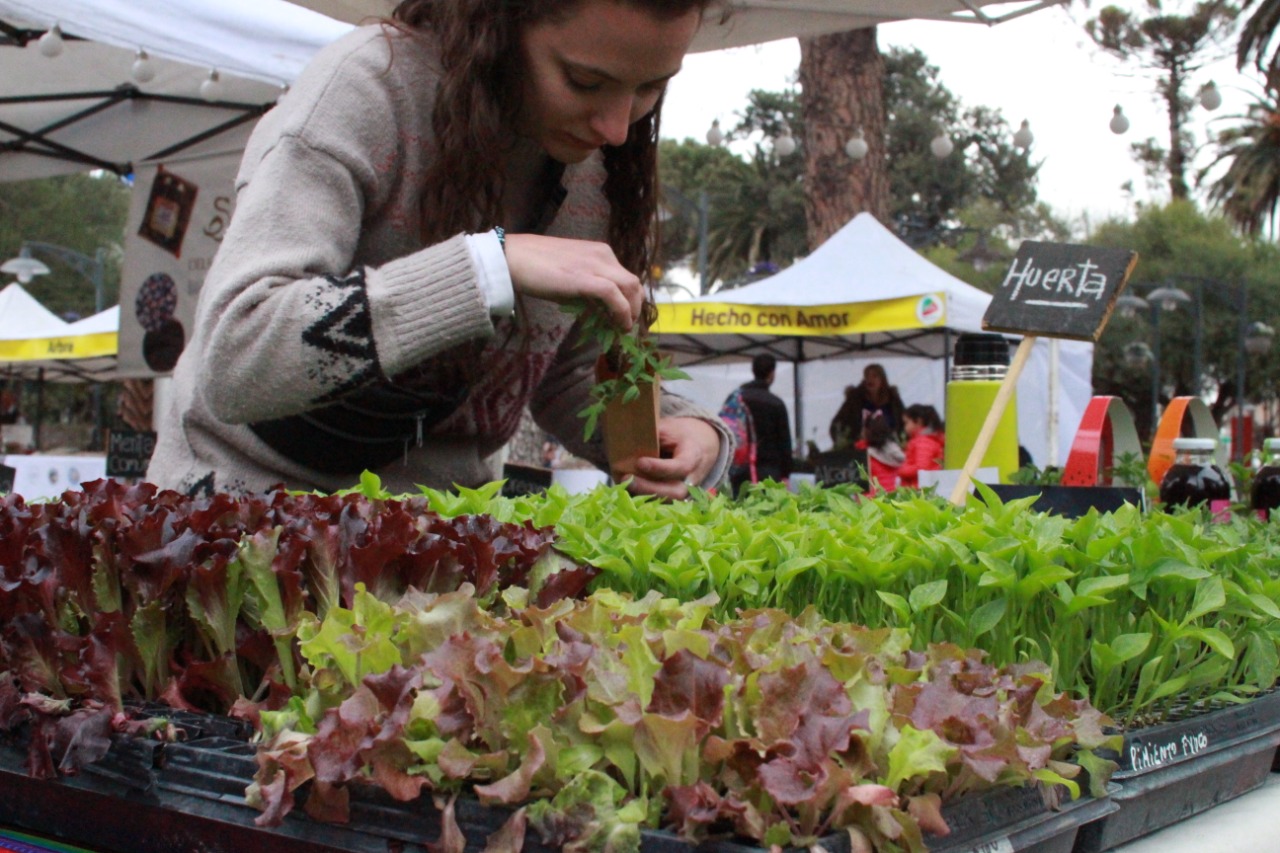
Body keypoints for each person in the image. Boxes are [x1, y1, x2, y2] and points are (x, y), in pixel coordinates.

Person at [146, 0, 731, 499]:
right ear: (500, 24)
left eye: (651, 87)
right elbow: (237, 356)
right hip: (246, 524)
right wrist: (485, 268)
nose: (617, 129)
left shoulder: (594, 168)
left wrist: (679, 431)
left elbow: (565, 372)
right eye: (584, 82)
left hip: (439, 550)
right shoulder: (366, 90)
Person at [729, 353, 792, 495]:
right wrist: (785, 474)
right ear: (772, 373)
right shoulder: (776, 403)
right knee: (768, 507)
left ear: (753, 370)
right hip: (769, 471)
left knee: (739, 505)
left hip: (739, 469)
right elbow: (785, 443)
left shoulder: (736, 398)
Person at [828, 363, 905, 450]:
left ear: (882, 380)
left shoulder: (893, 398)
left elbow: (904, 421)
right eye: (867, 376)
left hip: (890, 446)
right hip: (860, 447)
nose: (870, 379)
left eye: (874, 376)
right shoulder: (855, 399)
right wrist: (847, 443)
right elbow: (837, 425)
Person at [897, 403, 945, 490]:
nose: (904, 427)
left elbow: (922, 468)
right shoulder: (927, 440)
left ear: (918, 421)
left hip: (918, 489)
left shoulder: (923, 442)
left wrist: (901, 470)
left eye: (906, 423)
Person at [856, 415, 903, 493]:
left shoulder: (863, 452)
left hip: (874, 496)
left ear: (867, 430)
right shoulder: (895, 451)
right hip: (894, 494)